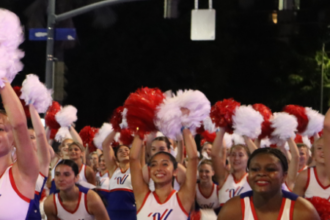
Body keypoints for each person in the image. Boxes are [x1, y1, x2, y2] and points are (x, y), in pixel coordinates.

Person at [218, 148, 320, 220]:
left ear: (284, 176)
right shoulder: (232, 210)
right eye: (255, 169)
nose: (261, 173)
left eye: (270, 169)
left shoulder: (303, 212)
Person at [131, 128, 198, 220]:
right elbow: (133, 158)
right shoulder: (142, 196)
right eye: (154, 165)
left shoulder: (183, 198)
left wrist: (184, 127)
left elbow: (193, 158)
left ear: (175, 171)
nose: (159, 168)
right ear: (150, 170)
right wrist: (141, 127)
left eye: (165, 164)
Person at [0, 79, 39, 219]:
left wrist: (2, 79)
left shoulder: (23, 173)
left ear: (15, 140)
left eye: (1, 129)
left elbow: (20, 125)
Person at [43, 159, 109, 220]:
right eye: (57, 174)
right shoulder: (50, 203)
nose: (61, 179)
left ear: (76, 177)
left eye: (66, 175)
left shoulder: (91, 198)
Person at [212, 128, 252, 207]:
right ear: (229, 158)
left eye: (240, 155)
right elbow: (215, 155)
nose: (236, 158)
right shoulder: (224, 177)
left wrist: (246, 138)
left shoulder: (252, 178)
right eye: (233, 155)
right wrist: (222, 129)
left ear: (248, 159)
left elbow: (259, 157)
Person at [26, 105, 53, 220]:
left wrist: (32, 106)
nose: (27, 139)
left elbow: (41, 135)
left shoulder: (42, 164)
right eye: (25, 137)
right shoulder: (10, 160)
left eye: (32, 137)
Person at [102, 131, 136, 220]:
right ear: (116, 157)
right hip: (113, 211)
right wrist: (116, 128)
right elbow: (105, 145)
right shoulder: (113, 169)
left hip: (131, 211)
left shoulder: (136, 170)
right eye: (120, 151)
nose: (124, 152)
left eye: (126, 150)